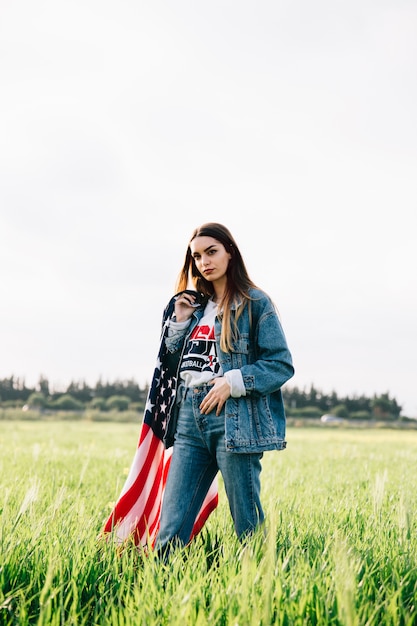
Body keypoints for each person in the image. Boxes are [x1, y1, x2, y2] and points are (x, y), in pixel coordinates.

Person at [152, 222, 294, 556]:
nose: (204, 261)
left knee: (247, 522)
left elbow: (281, 364)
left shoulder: (255, 302)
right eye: (197, 256)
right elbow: (171, 366)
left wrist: (232, 384)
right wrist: (180, 322)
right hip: (188, 419)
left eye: (211, 252)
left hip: (232, 418)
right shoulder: (193, 306)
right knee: (170, 529)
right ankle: (161, 594)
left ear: (230, 252)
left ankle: (259, 586)